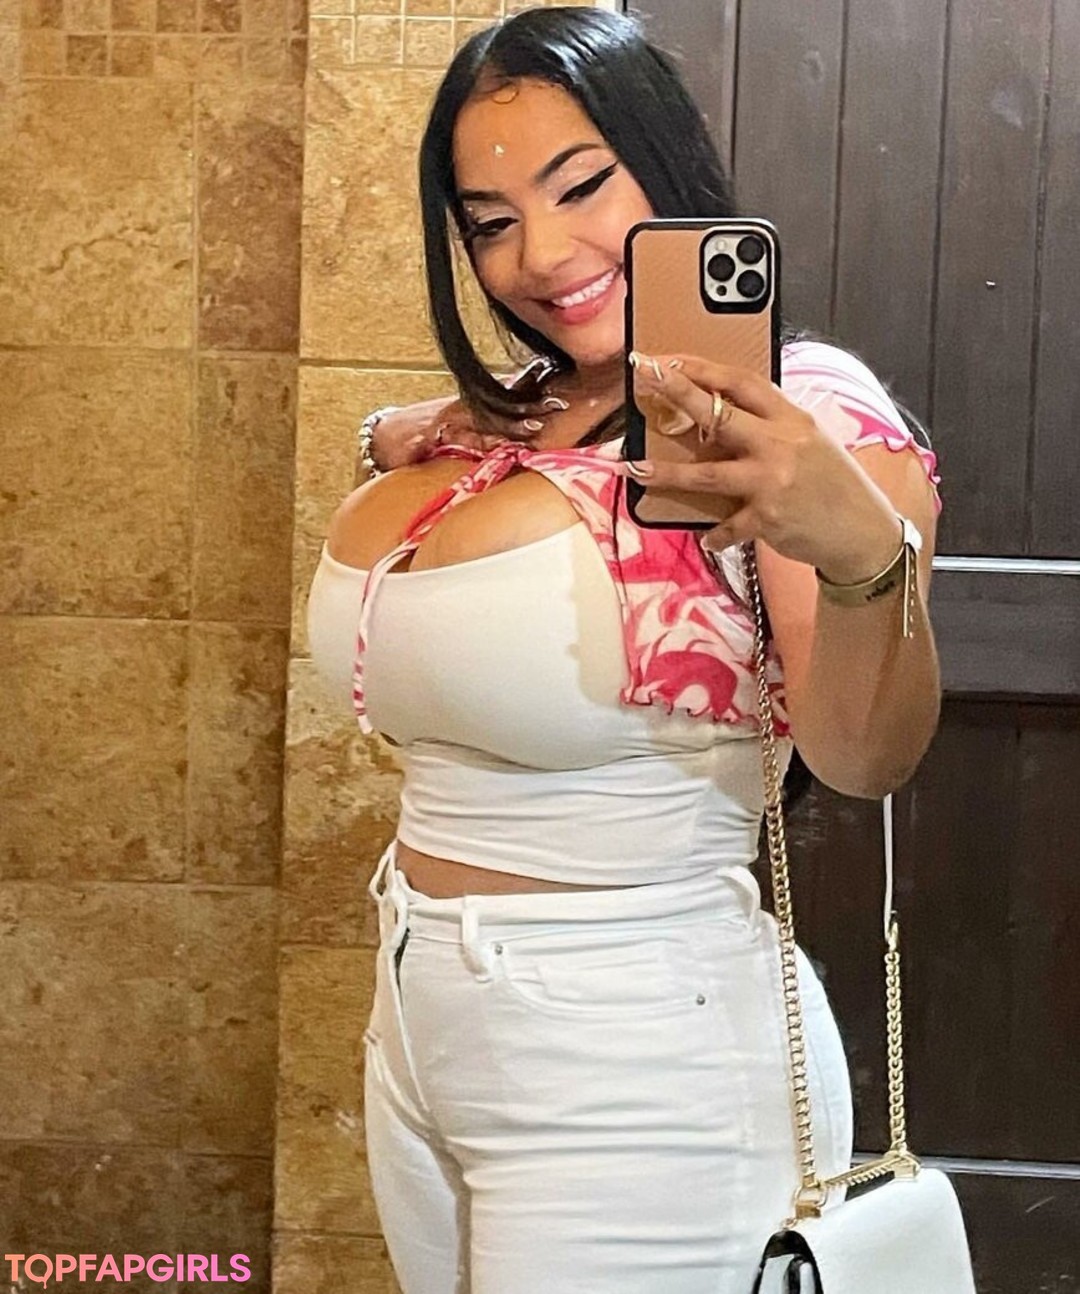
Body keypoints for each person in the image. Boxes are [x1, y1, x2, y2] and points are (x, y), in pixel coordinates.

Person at [306, 8, 942, 1292]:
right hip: (423, 1014)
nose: (540, 254)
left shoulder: (792, 406)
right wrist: (397, 429)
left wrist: (861, 555)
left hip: (635, 1048)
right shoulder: (536, 409)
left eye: (581, 185)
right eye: (490, 220)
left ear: (666, 162)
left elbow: (866, 756)